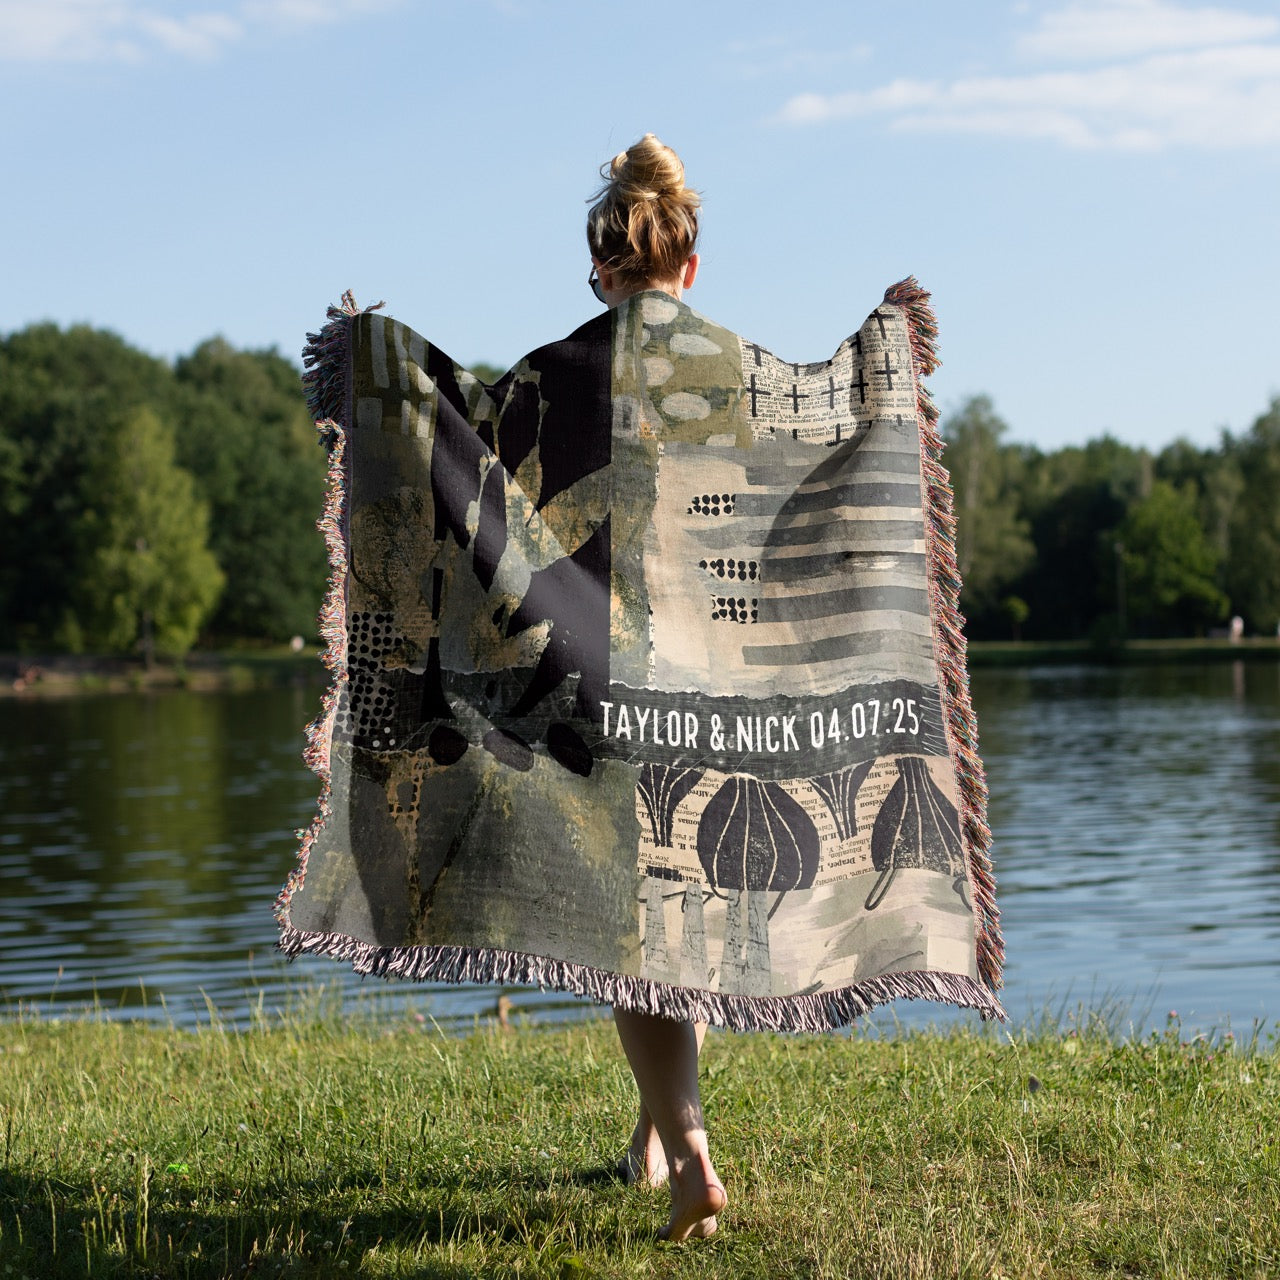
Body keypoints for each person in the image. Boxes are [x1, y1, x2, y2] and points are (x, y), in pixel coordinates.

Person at [584, 133, 726, 1244]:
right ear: (688, 261)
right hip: (720, 677)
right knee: (675, 918)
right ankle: (647, 1136)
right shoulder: (733, 367)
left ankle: (689, 1155)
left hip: (612, 675)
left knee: (623, 934)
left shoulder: (576, 368)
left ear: (603, 269)